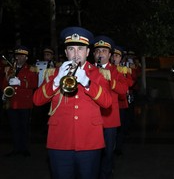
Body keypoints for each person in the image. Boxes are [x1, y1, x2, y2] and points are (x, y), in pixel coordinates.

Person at [33, 27, 112, 179]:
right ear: (66, 52)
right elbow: (37, 100)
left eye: (80, 48)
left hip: (90, 142)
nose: (76, 54)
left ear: (88, 52)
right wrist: (55, 82)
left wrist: (87, 82)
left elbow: (107, 103)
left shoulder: (98, 74)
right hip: (59, 142)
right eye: (71, 49)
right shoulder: (54, 73)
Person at [93, 35, 128, 179]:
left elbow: (123, 90)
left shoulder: (116, 71)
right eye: (98, 51)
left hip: (109, 117)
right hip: (92, 117)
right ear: (94, 54)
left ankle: (106, 174)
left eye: (104, 51)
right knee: (93, 151)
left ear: (109, 54)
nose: (101, 54)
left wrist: (111, 80)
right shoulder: (88, 69)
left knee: (108, 151)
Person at [2, 45, 38, 157]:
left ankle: (24, 149)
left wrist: (20, 82)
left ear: (26, 58)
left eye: (22, 56)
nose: (19, 58)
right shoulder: (9, 69)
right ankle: (16, 148)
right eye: (17, 55)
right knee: (14, 127)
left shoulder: (31, 69)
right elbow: (4, 83)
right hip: (12, 102)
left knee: (24, 127)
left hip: (24, 103)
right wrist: (4, 93)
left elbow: (34, 84)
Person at [111, 45, 134, 156]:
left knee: (120, 127)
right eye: (113, 55)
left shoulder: (124, 69)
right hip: (109, 102)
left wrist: (121, 75)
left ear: (121, 58)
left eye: (117, 56)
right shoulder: (105, 69)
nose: (114, 58)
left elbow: (130, 83)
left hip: (121, 102)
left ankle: (118, 147)